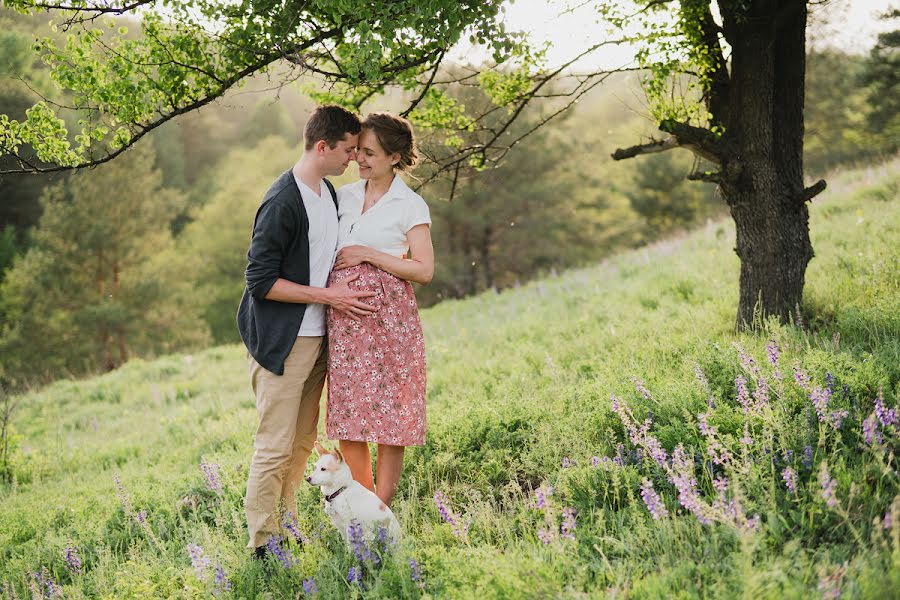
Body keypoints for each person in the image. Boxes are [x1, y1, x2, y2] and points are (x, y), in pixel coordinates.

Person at [236, 105, 377, 557]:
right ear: (322, 147)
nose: (353, 158)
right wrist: (327, 297)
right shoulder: (281, 202)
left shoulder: (329, 194)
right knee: (274, 447)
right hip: (283, 342)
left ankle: (289, 525)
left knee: (301, 444)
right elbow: (260, 282)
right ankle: (263, 545)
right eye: (348, 150)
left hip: (319, 340)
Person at [326, 112, 434, 508]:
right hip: (346, 323)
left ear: (394, 157)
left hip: (391, 321)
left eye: (369, 153)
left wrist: (370, 255)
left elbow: (423, 269)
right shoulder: (344, 196)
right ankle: (364, 503)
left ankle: (381, 511)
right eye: (359, 152)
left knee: (392, 418)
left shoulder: (410, 204)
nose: (359, 159)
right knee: (349, 417)